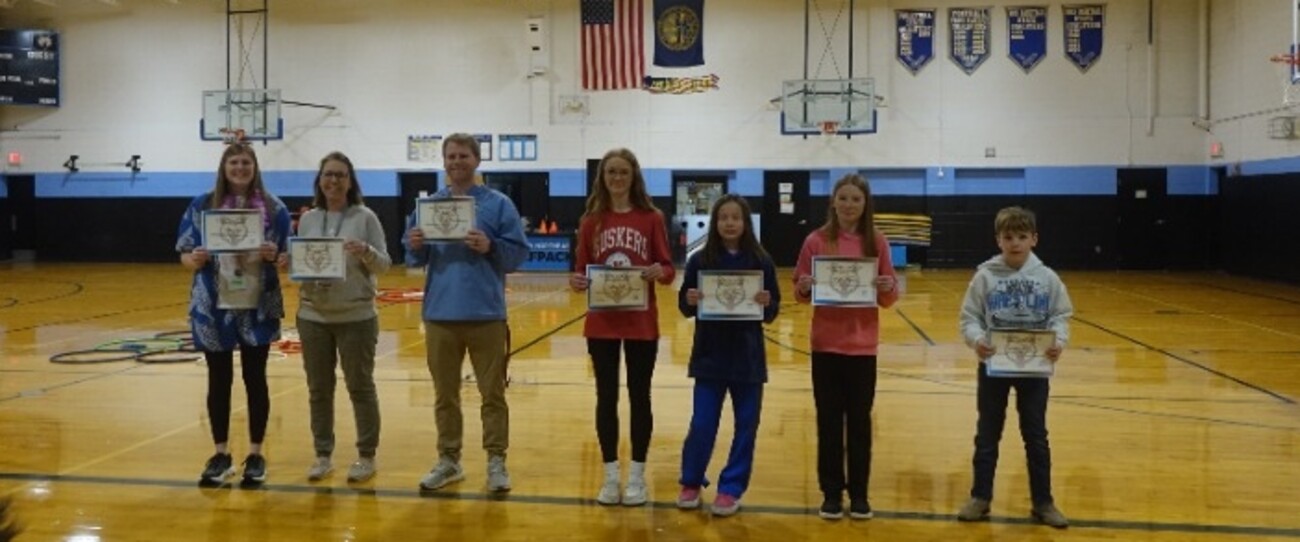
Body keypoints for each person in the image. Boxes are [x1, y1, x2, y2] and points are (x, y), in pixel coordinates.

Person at [403, 133, 528, 493]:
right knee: (445, 395)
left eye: (463, 156)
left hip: (486, 313)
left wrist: (491, 246)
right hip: (440, 314)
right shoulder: (428, 207)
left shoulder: (498, 204)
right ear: (444, 161)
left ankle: (496, 461)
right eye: (451, 156)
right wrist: (414, 245)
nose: (457, 162)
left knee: (493, 394)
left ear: (477, 160)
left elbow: (517, 255)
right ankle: (449, 460)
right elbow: (413, 258)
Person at [176, 143, 290, 486]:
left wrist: (274, 255)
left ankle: (255, 453)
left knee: (256, 378)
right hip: (213, 302)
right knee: (218, 378)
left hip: (258, 302)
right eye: (234, 162)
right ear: (224, 168)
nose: (240, 168)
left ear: (255, 167)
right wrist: (195, 259)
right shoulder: (202, 205)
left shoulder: (275, 207)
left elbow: (287, 258)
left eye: (246, 163)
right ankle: (220, 453)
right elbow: (184, 254)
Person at [569, 148, 675, 506]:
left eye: (623, 172)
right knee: (606, 397)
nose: (617, 178)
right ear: (602, 177)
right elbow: (581, 270)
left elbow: (668, 269)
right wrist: (577, 281)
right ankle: (611, 475)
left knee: (640, 397)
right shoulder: (590, 221)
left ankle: (637, 477)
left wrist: (660, 271)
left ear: (634, 177)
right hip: (602, 323)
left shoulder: (652, 218)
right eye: (611, 172)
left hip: (641, 322)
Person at [955, 206, 1073, 529]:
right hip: (993, 366)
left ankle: (1043, 502)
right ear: (999, 240)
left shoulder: (1048, 278)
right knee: (987, 434)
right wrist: (977, 340)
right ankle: (980, 498)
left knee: (1036, 436)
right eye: (1008, 237)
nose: (1015, 243)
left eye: (1022, 236)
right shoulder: (985, 276)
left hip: (1034, 370)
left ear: (1034, 239)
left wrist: (1058, 342)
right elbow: (969, 317)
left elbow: (1061, 316)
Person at [793, 173, 899, 520]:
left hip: (862, 348)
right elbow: (799, 292)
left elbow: (889, 298)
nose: (849, 204)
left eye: (856, 198)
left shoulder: (876, 242)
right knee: (828, 422)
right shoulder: (815, 241)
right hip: (825, 346)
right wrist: (805, 285)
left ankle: (860, 494)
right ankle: (831, 493)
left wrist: (886, 286)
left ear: (865, 204)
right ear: (833, 202)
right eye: (843, 198)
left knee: (859, 424)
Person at [675, 194, 780, 517]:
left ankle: (731, 487)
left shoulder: (761, 260)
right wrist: (690, 298)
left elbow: (772, 310)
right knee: (702, 423)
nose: (730, 223)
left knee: (746, 426)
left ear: (746, 223)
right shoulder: (699, 261)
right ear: (715, 222)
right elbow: (684, 305)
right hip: (709, 356)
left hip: (748, 359)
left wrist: (766, 302)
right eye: (723, 218)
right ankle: (691, 481)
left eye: (736, 218)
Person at [293, 152, 391, 483]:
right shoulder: (308, 219)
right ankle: (323, 455)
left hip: (356, 317)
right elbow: (304, 262)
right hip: (313, 316)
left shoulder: (366, 217)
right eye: (328, 174)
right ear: (319, 180)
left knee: (360, 387)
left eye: (340, 175)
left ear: (350, 182)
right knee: (318, 390)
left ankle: (367, 455)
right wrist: (294, 265)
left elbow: (385, 264)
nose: (333, 180)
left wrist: (366, 251)